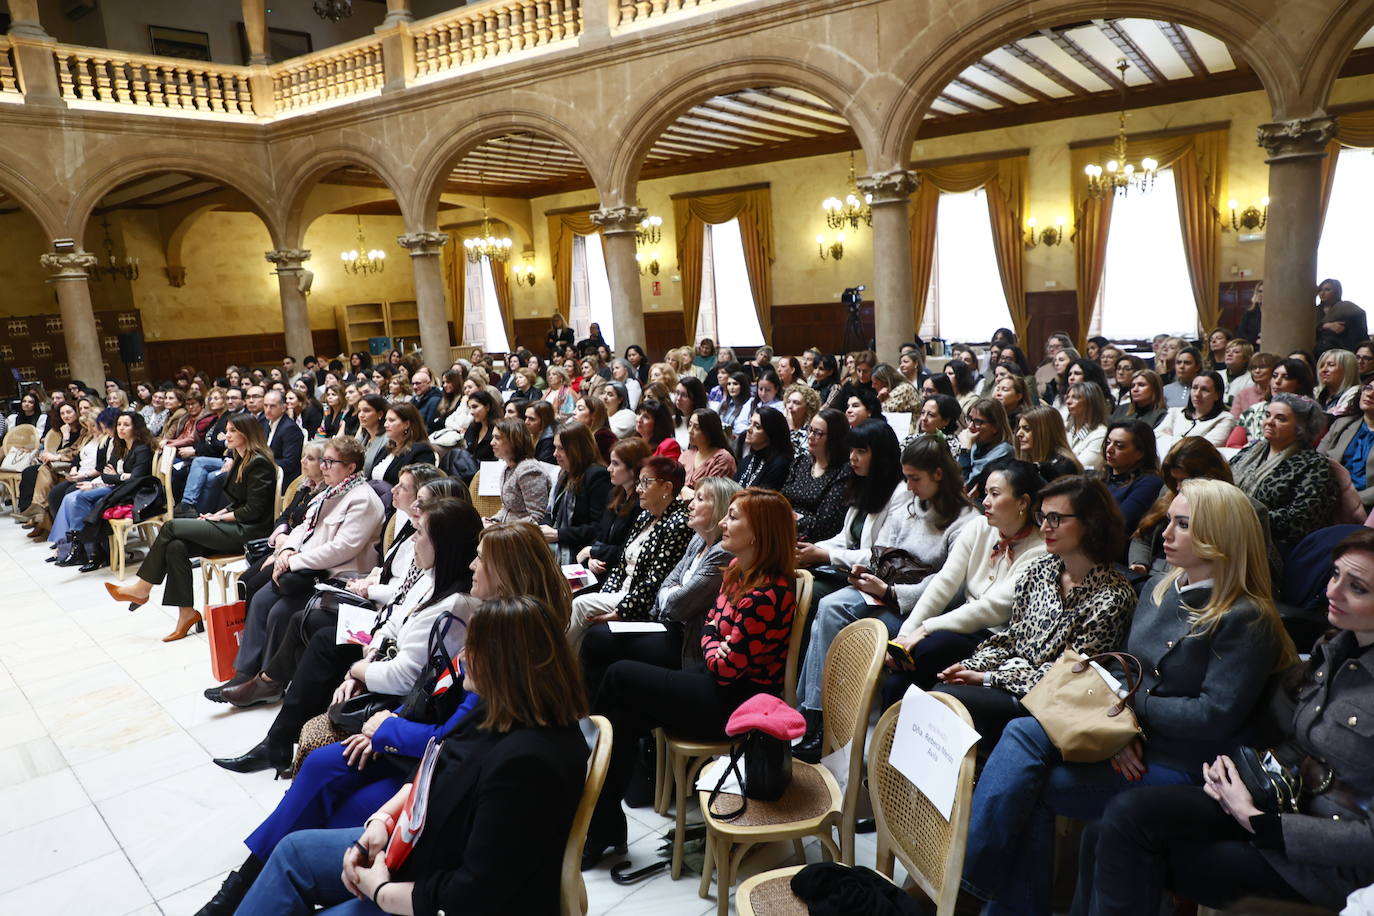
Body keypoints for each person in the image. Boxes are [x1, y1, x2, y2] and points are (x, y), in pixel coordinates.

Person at [964, 478, 1298, 916]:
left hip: (1184, 764)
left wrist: (1128, 713)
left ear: (1218, 537)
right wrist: (1121, 728)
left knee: (1032, 784)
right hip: (1132, 735)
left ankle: (974, 887)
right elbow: (1120, 665)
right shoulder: (1161, 587)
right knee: (1023, 732)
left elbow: (1210, 717)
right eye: (1169, 522)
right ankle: (981, 886)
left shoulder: (1246, 617)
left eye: (1182, 525)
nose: (1165, 535)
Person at [227, 593, 589, 915]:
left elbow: (474, 894)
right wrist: (382, 823)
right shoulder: (499, 706)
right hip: (422, 850)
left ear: (504, 664)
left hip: (438, 888)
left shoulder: (528, 765)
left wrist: (381, 891)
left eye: (473, 648)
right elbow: (436, 763)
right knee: (293, 852)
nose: (463, 657)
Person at [1079, 527, 1374, 915]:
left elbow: (1365, 840)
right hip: (1275, 804)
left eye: (1358, 588)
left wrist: (1261, 822)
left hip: (1319, 861)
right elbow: (1296, 742)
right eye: (1334, 575)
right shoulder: (1333, 649)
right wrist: (1238, 773)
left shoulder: (1254, 621)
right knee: (1111, 826)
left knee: (1122, 839)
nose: (1332, 592)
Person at [584, 487, 797, 867]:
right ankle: (603, 819)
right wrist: (719, 639)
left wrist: (716, 640)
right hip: (717, 682)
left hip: (738, 704)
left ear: (758, 534)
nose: (721, 523)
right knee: (623, 706)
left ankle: (600, 819)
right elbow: (710, 633)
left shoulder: (770, 592)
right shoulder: (735, 570)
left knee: (618, 678)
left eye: (733, 517)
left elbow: (725, 665)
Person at [212, 492, 481, 776]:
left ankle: (277, 724)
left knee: (318, 632)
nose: (415, 539)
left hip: (401, 691)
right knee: (310, 628)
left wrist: (358, 670)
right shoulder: (433, 577)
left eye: (421, 533)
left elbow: (405, 676)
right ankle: (276, 725)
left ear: (444, 545)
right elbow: (393, 618)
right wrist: (371, 655)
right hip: (383, 646)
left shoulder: (453, 604)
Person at [794, 437, 978, 759]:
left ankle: (822, 720)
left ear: (938, 474)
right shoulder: (909, 505)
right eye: (906, 477)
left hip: (916, 605)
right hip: (884, 587)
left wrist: (891, 592)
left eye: (915, 478)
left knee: (845, 616)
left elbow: (949, 585)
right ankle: (814, 716)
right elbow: (882, 550)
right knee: (829, 606)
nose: (909, 485)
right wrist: (866, 573)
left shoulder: (965, 521)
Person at [932, 474, 1136, 750]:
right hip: (1011, 677)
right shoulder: (1039, 570)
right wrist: (972, 665)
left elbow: (1070, 676)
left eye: (1056, 519)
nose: (1045, 527)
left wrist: (989, 678)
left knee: (943, 701)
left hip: (1048, 701)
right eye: (1043, 517)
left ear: (1091, 523)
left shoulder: (1112, 597)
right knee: (939, 685)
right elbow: (1012, 638)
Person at [216, 436, 386, 701]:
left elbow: (342, 549)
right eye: (324, 460)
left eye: (330, 462)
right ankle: (245, 673)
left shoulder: (363, 499)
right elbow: (302, 528)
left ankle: (268, 683)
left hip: (338, 578)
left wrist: (293, 561)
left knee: (281, 611)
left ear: (351, 468)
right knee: (261, 599)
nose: (324, 466)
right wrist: (285, 551)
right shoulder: (330, 490)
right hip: (310, 569)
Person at [883, 459, 1047, 701]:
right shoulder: (979, 527)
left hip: (995, 637)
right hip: (961, 624)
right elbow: (944, 582)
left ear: (1022, 502)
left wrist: (925, 629)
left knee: (927, 649)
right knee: (896, 682)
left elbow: (994, 609)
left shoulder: (1040, 550)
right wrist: (906, 635)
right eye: (986, 493)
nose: (986, 502)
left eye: (995, 494)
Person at [105, 413, 277, 641]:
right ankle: (186, 613)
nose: (226, 435)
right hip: (236, 525)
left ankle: (142, 589)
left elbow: (253, 511)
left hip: (250, 533)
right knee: (176, 546)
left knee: (170, 527)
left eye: (233, 431)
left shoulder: (259, 462)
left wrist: (219, 520)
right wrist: (218, 514)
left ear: (247, 434)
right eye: (227, 430)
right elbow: (239, 502)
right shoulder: (241, 458)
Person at [579, 476, 740, 698]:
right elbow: (667, 586)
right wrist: (671, 594)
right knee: (596, 637)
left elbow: (677, 605)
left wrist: (670, 595)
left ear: (720, 508)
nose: (690, 504)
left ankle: (591, 711)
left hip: (688, 645)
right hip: (669, 627)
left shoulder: (723, 553)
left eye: (700, 499)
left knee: (599, 641)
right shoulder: (697, 540)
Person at [567, 455, 692, 649]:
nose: (639, 489)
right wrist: (605, 595)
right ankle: (572, 670)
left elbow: (656, 581)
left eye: (645, 483)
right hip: (622, 592)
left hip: (643, 604)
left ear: (666, 488)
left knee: (582, 605)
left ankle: (559, 666)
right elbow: (621, 565)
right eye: (639, 482)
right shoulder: (645, 516)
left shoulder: (678, 524)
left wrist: (620, 613)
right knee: (573, 595)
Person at [49, 410, 156, 572]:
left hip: (134, 492)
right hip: (118, 487)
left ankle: (91, 550)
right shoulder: (119, 446)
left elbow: (136, 478)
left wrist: (117, 476)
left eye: (126, 425)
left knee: (84, 498)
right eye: (119, 424)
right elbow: (106, 474)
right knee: (79, 497)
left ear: (136, 428)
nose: (121, 428)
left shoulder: (142, 449)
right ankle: (88, 548)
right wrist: (121, 476)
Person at [1231, 393, 1336, 551]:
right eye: (1267, 415)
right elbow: (1221, 479)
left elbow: (1301, 521)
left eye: (1280, 418)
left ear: (1301, 427)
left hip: (1272, 546)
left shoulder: (1314, 465)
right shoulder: (1251, 451)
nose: (1269, 422)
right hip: (1230, 532)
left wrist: (1242, 517)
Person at [578, 436, 651, 578]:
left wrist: (593, 551)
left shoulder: (642, 504)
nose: (609, 468)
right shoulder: (615, 493)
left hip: (620, 572)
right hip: (602, 565)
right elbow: (600, 533)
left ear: (634, 469)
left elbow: (627, 550)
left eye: (615, 464)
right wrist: (592, 559)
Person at [781, 407, 851, 542]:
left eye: (818, 433)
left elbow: (826, 524)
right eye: (810, 430)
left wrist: (787, 519)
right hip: (784, 531)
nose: (810, 436)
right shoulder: (801, 462)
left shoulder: (843, 471)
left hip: (813, 543)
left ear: (835, 438)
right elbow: (781, 500)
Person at [1101, 418, 1164, 539]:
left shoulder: (1149, 482)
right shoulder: (1098, 476)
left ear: (1140, 453)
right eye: (1108, 442)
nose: (1109, 449)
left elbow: (1119, 524)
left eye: (1119, 446)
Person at [485, 417, 550, 525]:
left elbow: (536, 517)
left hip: (523, 536)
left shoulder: (530, 470)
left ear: (513, 441)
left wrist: (501, 529)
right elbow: (507, 509)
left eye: (497, 438)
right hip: (509, 531)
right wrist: (492, 521)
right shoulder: (509, 467)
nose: (492, 443)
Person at [1320, 379, 1374, 509]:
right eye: (1368, 388)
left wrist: (1353, 502)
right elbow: (1317, 460)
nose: (1370, 394)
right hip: (1328, 498)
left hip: (1366, 506)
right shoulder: (1342, 424)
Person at [958, 397, 1015, 496]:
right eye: (970, 419)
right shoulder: (976, 444)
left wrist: (965, 450)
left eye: (978, 422)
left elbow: (964, 486)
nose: (970, 426)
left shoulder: (1004, 452)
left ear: (995, 427)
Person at [371, 403, 435, 486]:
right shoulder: (387, 448)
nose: (385, 424)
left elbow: (418, 486)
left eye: (391, 420)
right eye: (386, 420)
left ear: (407, 424)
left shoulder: (422, 452)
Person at [1014, 405, 1082, 481]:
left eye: (1027, 429)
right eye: (1019, 428)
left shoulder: (1063, 467)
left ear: (1045, 432)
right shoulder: (1023, 463)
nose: (1018, 434)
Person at [733, 405, 792, 490]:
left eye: (757, 426)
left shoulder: (780, 464)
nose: (748, 429)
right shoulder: (748, 460)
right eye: (750, 423)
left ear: (771, 433)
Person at [1062, 381, 1109, 471]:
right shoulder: (1066, 430)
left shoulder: (1101, 434)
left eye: (1075, 397)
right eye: (1067, 397)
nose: (1068, 401)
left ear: (1091, 402)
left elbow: (1080, 468)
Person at [1316, 276, 1368, 355]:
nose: (1322, 293)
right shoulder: (1315, 311)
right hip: (1318, 350)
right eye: (1320, 290)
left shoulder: (1348, 308)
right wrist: (1326, 325)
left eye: (1327, 290)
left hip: (1343, 350)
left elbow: (1359, 332)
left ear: (1336, 291)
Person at [1315, 347, 1360, 415]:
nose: (1323, 370)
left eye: (1331, 365)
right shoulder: (1316, 392)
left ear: (1347, 369)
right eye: (1321, 366)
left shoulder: (1356, 394)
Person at [635, 396, 681, 461]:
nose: (639, 419)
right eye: (639, 414)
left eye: (646, 417)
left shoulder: (669, 445)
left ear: (658, 423)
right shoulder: (635, 443)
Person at [461, 388, 498, 462]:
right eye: (470, 408)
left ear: (487, 407)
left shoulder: (497, 429)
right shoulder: (472, 427)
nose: (471, 412)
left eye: (475, 407)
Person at [718, 370, 754, 436]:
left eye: (735, 384)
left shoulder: (749, 404)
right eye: (729, 384)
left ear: (743, 386)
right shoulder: (724, 403)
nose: (731, 387)